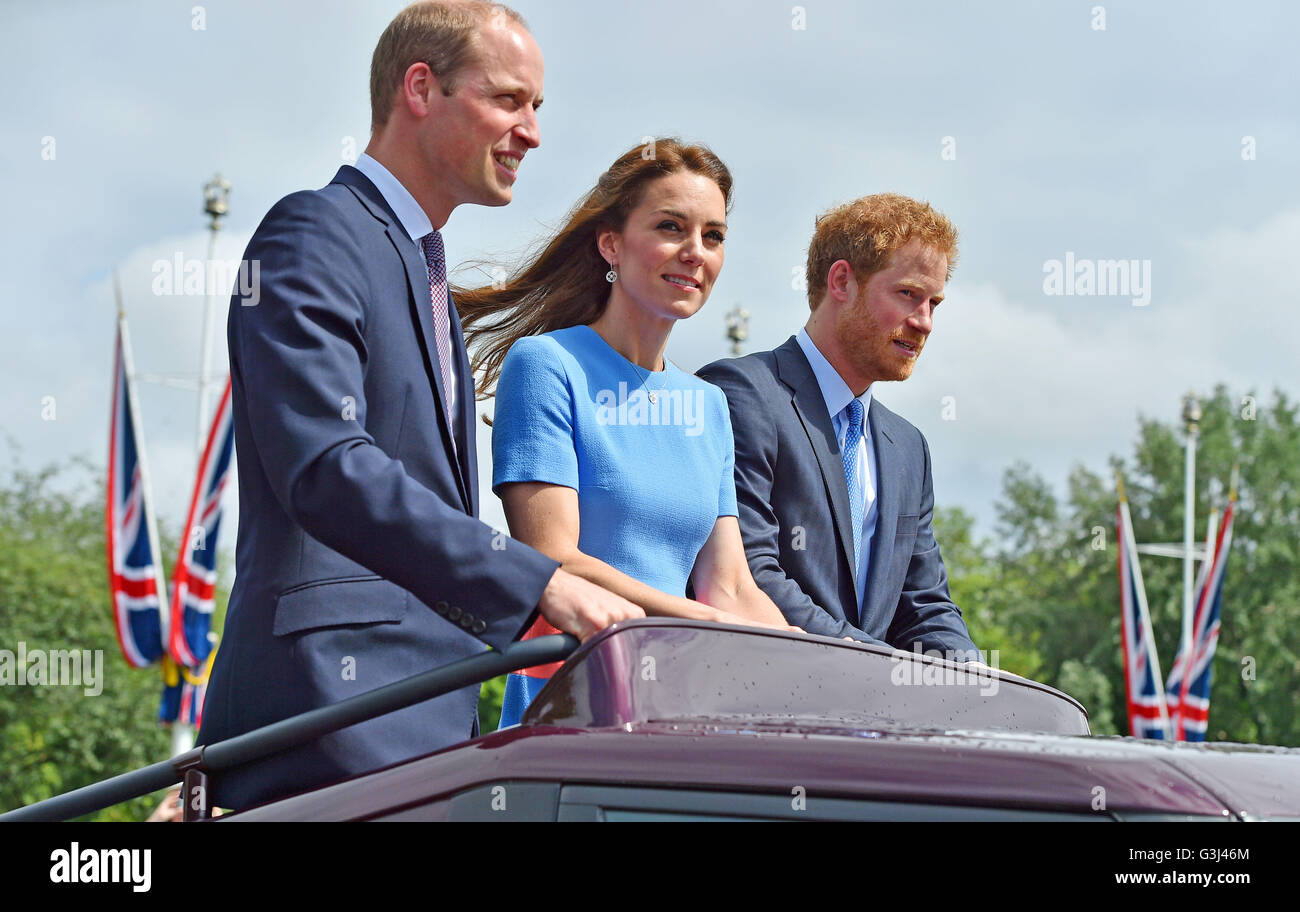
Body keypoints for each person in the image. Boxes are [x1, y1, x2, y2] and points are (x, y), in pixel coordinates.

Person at [198, 0, 641, 811]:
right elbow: (327, 467)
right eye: (509, 100)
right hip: (325, 716)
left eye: (537, 108)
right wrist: (533, 581)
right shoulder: (314, 234)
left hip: (432, 725)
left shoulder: (425, 273)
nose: (532, 132)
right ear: (419, 88)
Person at [458, 139, 794, 726]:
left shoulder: (709, 405)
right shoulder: (546, 366)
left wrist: (817, 661)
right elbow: (555, 559)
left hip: (679, 712)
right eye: (671, 227)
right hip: (573, 708)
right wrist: (701, 621)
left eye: (713, 236)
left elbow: (730, 587)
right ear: (610, 243)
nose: (695, 252)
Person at [698, 193, 980, 659]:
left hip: (870, 718)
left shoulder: (909, 448)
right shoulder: (740, 395)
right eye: (909, 294)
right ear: (842, 281)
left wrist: (976, 683)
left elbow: (925, 607)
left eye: (935, 302)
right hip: (763, 703)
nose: (925, 321)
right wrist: (879, 666)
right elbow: (748, 572)